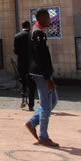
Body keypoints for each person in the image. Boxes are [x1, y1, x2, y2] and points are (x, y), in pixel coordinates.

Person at [25, 8, 59, 147]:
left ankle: (32, 122)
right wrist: (47, 78)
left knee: (54, 100)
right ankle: (43, 136)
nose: (49, 20)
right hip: (41, 74)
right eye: (47, 18)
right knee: (46, 105)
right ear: (41, 18)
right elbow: (40, 57)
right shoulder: (38, 32)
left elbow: (44, 55)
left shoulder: (40, 31)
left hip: (44, 72)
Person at [14, 20, 35, 111]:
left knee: (23, 82)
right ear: (29, 26)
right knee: (32, 84)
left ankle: (23, 99)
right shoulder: (32, 36)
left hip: (21, 62)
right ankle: (31, 104)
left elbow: (15, 51)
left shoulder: (17, 36)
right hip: (31, 63)